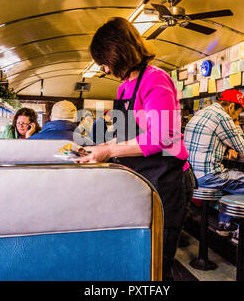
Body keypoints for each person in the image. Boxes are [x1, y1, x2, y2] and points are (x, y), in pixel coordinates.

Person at [79, 17, 194, 280]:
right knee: (138, 257)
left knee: (157, 261)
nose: (105, 69)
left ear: (117, 52)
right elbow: (125, 137)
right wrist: (98, 149)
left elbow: (162, 137)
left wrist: (108, 152)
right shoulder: (122, 89)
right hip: (142, 180)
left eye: (105, 62)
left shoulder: (156, 80)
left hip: (167, 181)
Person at [184, 89, 244, 248]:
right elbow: (242, 147)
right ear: (231, 107)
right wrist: (235, 123)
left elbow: (210, 142)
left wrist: (225, 149)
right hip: (206, 177)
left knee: (227, 180)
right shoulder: (223, 117)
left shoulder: (204, 112)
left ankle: (224, 224)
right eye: (238, 112)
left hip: (190, 175)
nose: (238, 116)